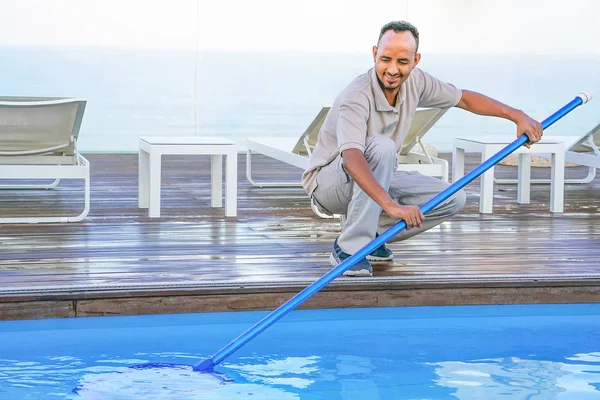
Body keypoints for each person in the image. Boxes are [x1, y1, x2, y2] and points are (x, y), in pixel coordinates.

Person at [301, 20, 543, 277]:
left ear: (415, 60)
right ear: (374, 54)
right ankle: (349, 248)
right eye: (385, 59)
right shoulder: (356, 95)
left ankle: (370, 234)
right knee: (382, 146)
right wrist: (391, 205)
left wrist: (517, 116)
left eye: (402, 62)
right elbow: (351, 158)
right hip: (329, 186)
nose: (392, 69)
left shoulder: (417, 82)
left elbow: (464, 99)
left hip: (377, 174)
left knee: (452, 198)